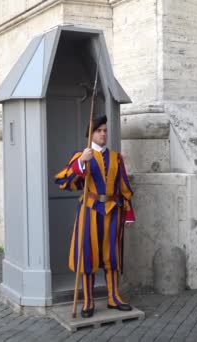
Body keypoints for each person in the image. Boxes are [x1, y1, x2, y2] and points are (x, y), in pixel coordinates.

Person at [54, 115, 135, 318]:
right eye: (99, 131)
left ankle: (113, 297)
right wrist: (81, 162)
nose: (103, 134)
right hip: (90, 210)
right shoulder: (81, 156)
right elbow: (65, 182)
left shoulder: (116, 157)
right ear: (91, 134)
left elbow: (124, 186)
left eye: (105, 130)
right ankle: (88, 301)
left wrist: (129, 212)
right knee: (88, 256)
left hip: (113, 210)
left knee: (112, 256)